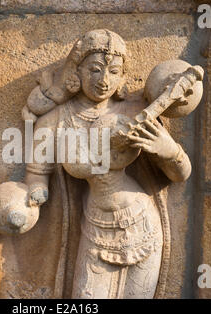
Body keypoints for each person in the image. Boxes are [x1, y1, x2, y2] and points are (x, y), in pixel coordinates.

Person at [22, 29, 192, 298]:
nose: (104, 80)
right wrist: (35, 195)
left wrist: (169, 151)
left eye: (113, 71)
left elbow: (180, 174)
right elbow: (36, 174)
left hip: (143, 225)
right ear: (77, 71)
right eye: (95, 69)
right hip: (96, 229)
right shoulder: (56, 120)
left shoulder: (134, 113)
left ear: (123, 76)